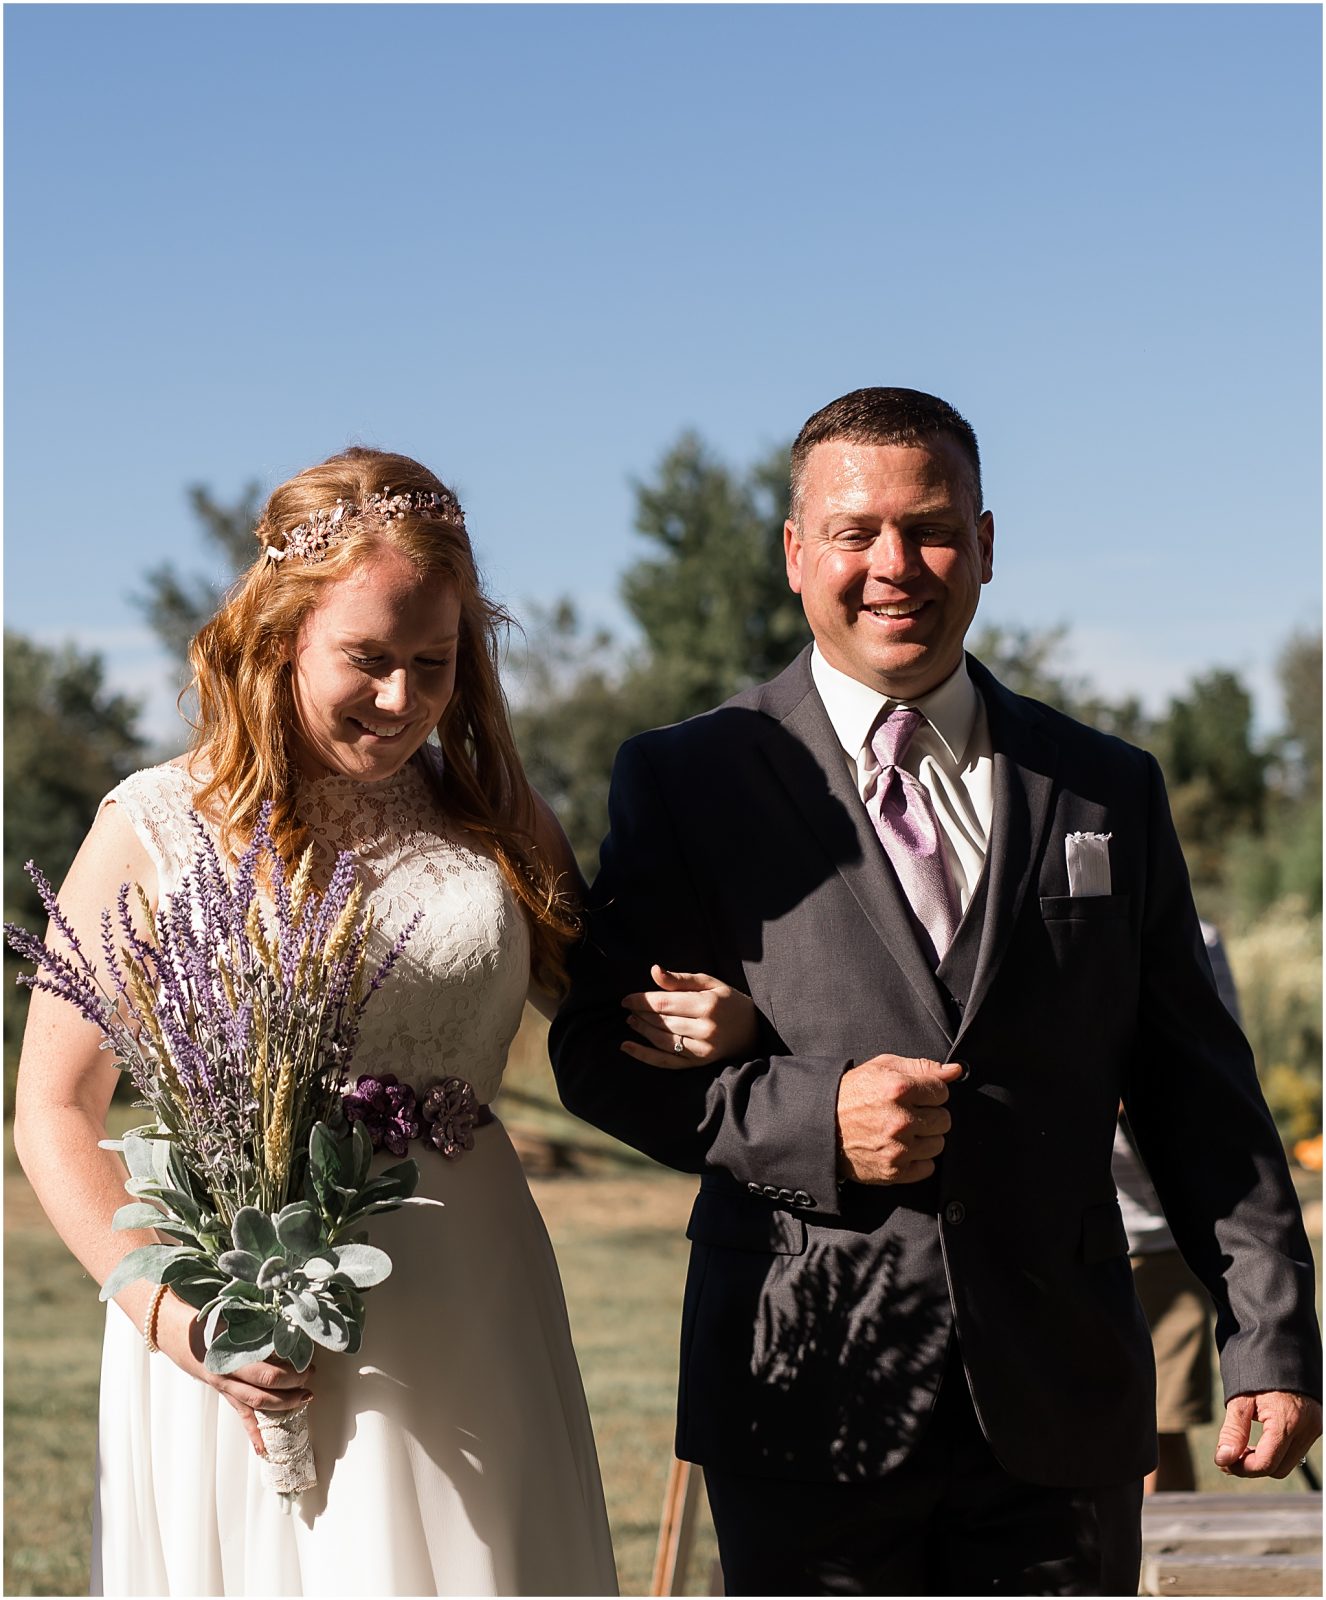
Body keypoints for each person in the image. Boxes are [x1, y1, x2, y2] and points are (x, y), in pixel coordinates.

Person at [550, 388, 1323, 1596]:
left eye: (933, 527)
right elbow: (598, 1052)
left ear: (989, 544)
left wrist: (1270, 1334)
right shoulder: (688, 778)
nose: (895, 564)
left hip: (1061, 1402)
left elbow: (1195, 1087)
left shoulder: (1106, 786)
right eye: (856, 532)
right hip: (805, 1397)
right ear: (797, 553)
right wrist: (820, 1119)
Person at [11, 447, 754, 1597]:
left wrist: (730, 1023)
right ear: (280, 636)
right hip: (231, 1311)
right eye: (367, 659)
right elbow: (55, 1108)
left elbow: (615, 1016)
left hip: (472, 1293)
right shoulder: (156, 825)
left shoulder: (499, 819)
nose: (403, 698)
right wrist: (176, 1318)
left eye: (434, 663)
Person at [1113, 918, 1240, 1493]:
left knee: (1158, 1433)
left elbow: (1214, 1070)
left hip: (1159, 1234)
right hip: (1052, 1227)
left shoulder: (1195, 935)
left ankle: (1162, 1577)